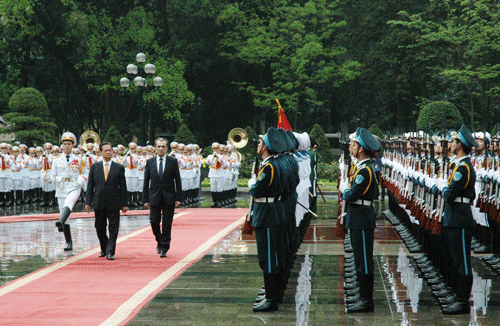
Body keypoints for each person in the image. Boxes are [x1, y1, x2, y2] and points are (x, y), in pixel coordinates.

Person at [436, 124, 478, 314]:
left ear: (460, 145)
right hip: (454, 216)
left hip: (460, 218)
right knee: (454, 259)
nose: (450, 144)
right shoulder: (458, 166)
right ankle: (456, 295)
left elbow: (449, 194)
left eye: (453, 141)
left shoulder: (464, 168)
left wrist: (442, 187)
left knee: (462, 261)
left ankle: (462, 301)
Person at [338, 127, 380, 313]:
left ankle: (366, 300)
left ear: (361, 148)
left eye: (353, 144)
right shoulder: (363, 168)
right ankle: (362, 294)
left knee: (363, 259)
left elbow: (352, 195)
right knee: (359, 257)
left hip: (362, 218)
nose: (350, 146)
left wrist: (345, 189)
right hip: (359, 217)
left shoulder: (365, 171)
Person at [248, 128, 283, 313]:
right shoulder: (268, 164)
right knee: (267, 256)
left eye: (261, 142)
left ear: (266, 147)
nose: (258, 145)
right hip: (266, 212)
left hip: (267, 213)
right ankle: (271, 295)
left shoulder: (269, 167)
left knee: (268, 257)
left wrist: (252, 185)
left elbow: (257, 191)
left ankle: (271, 299)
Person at [85, 142, 128, 260]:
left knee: (113, 228)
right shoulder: (95, 167)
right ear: (101, 152)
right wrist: (88, 202)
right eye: (106, 150)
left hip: (114, 202)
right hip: (99, 201)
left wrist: (124, 204)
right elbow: (90, 186)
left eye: (110, 150)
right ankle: (104, 248)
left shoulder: (119, 167)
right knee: (99, 227)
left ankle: (110, 251)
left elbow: (123, 187)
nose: (108, 152)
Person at [143, 138, 182, 258]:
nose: (161, 149)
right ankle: (159, 240)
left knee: (166, 224)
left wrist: (178, 198)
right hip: (154, 196)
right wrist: (145, 199)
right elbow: (146, 181)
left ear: (167, 148)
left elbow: (178, 180)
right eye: (159, 146)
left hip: (169, 196)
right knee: (154, 221)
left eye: (163, 147)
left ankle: (164, 247)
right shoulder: (150, 162)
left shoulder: (172, 161)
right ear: (155, 147)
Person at [50, 132, 89, 251]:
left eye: (69, 144)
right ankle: (69, 242)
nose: (67, 146)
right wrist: (56, 179)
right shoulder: (56, 160)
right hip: (61, 188)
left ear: (73, 146)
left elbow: (86, 173)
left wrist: (81, 180)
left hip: (74, 187)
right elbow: (52, 175)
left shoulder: (79, 159)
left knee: (69, 202)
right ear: (62, 146)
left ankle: (60, 221)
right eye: (65, 144)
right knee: (65, 214)